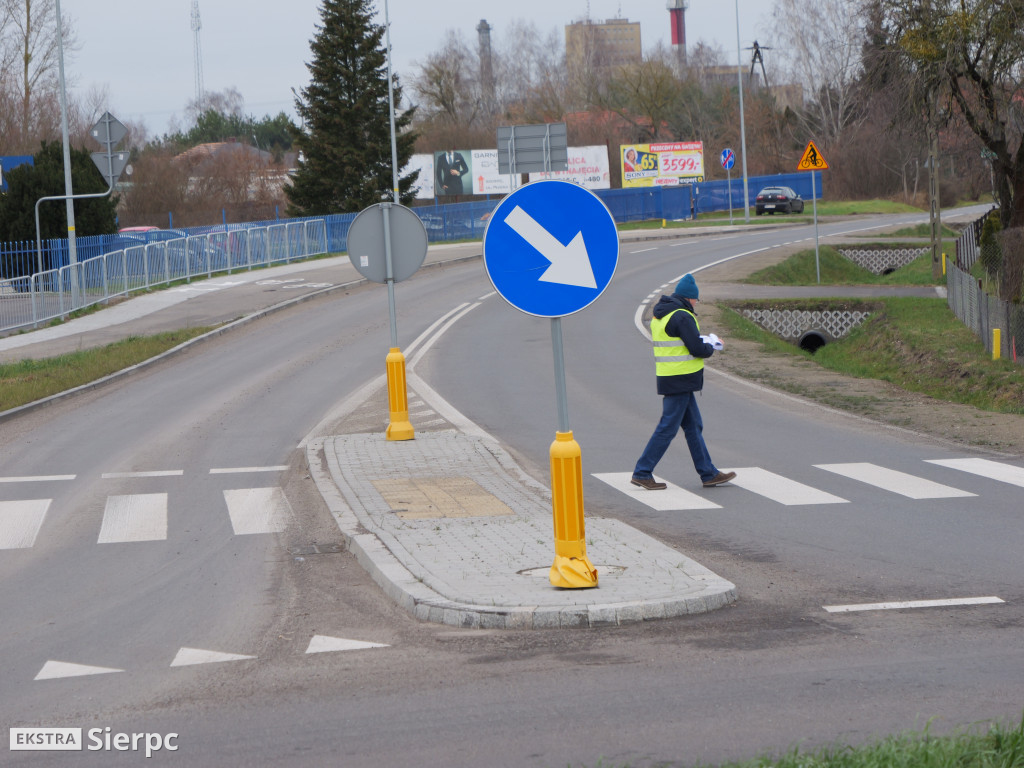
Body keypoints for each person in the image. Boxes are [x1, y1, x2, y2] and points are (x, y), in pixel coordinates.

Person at [631, 273, 736, 490]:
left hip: (672, 377)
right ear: (690, 298)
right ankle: (642, 472)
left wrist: (701, 340)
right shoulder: (682, 316)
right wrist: (713, 345)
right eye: (696, 299)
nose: (696, 303)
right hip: (680, 379)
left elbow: (680, 341)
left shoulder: (661, 315)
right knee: (667, 427)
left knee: (693, 426)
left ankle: (708, 473)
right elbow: (696, 348)